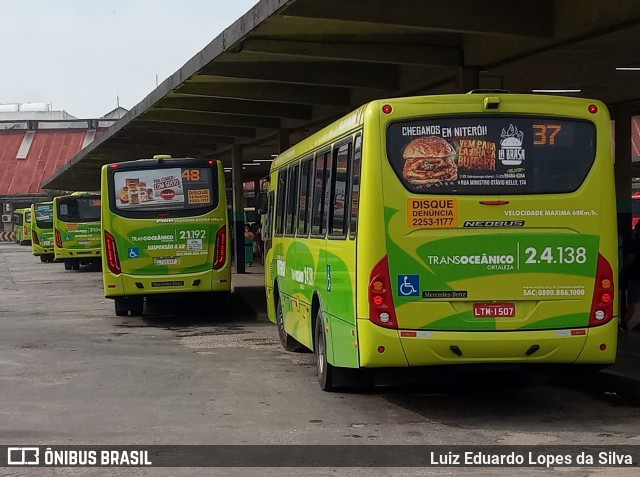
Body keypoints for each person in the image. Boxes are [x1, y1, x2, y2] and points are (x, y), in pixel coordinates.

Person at [621, 222, 640, 330]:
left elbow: (630, 260)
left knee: (632, 302)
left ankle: (624, 324)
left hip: (636, 276)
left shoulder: (636, 243)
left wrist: (622, 270)